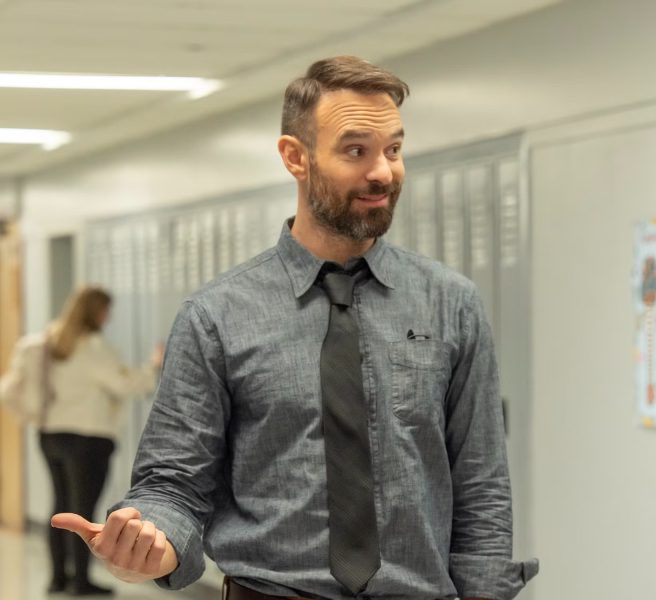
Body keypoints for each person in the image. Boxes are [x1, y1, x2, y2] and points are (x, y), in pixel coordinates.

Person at [51, 55, 536, 600]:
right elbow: (173, 483)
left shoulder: (451, 303)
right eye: (356, 151)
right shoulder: (217, 315)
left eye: (394, 150)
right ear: (294, 157)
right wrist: (151, 542)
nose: (383, 172)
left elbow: (481, 484)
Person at [1, 286, 160, 595]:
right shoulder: (93, 347)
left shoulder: (50, 343)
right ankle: (81, 582)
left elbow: (9, 390)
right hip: (87, 441)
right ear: (95, 312)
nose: (109, 316)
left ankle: (58, 578)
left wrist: (31, 417)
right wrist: (154, 367)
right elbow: (125, 384)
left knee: (61, 505)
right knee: (82, 511)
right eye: (106, 310)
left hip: (51, 435)